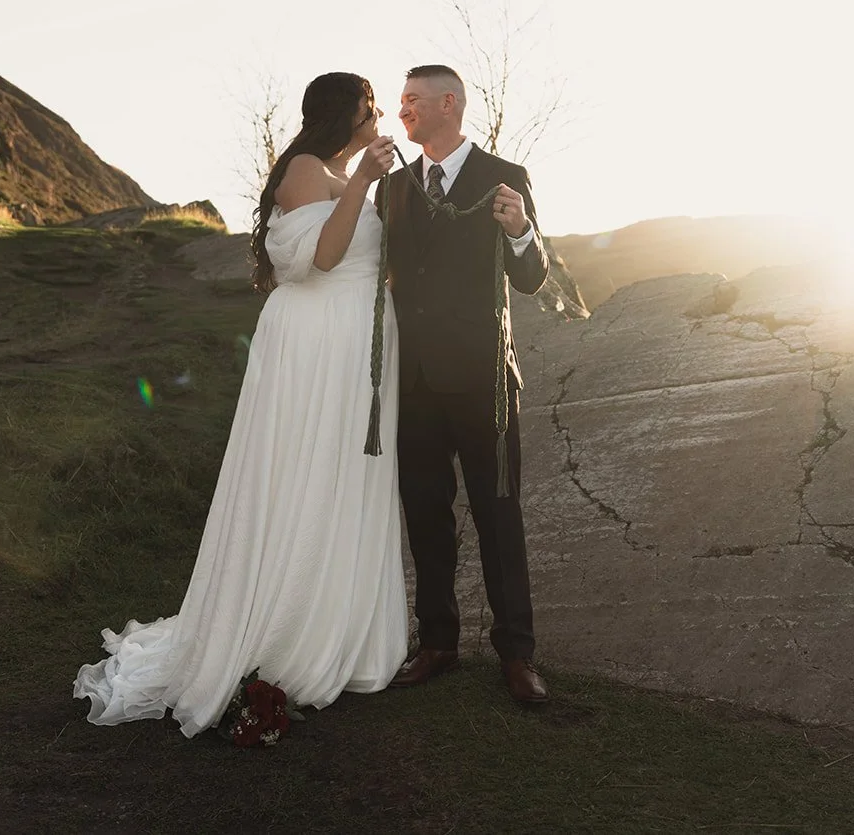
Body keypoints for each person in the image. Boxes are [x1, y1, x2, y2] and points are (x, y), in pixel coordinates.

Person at [73, 72, 407, 736]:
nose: (377, 118)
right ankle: (286, 629)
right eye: (369, 108)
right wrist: (366, 183)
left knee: (345, 478)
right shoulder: (306, 170)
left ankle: (344, 626)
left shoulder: (340, 175)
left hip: (355, 345)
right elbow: (320, 258)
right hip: (318, 347)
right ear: (343, 115)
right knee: (306, 474)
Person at [379, 64, 552, 704]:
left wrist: (519, 230)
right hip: (415, 382)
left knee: (498, 517)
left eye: (412, 100)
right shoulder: (391, 188)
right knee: (426, 516)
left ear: (448, 102)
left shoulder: (505, 177)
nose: (402, 111)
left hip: (484, 382)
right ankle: (438, 643)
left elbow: (531, 277)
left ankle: (517, 654)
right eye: (401, 101)